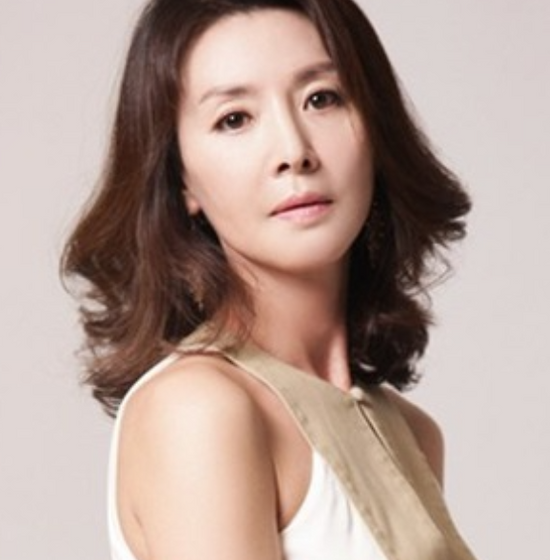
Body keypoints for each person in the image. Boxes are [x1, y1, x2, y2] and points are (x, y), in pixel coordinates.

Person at [62, 0, 476, 558]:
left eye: (321, 98)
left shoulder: (411, 433)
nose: (294, 151)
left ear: (375, 131)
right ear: (182, 181)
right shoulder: (199, 409)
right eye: (234, 118)